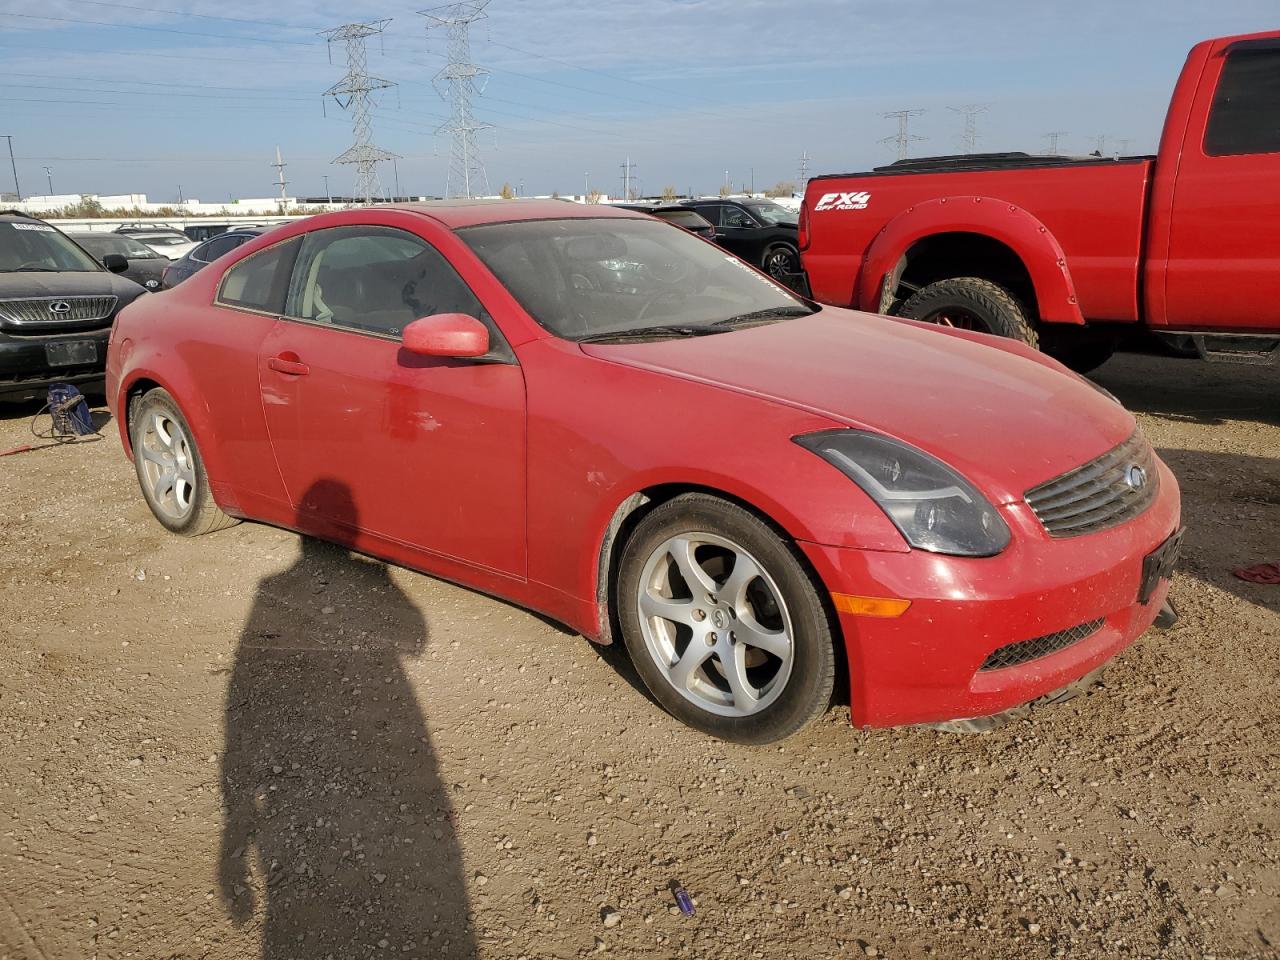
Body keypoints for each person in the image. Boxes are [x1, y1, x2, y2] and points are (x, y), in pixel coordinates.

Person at [218, 480, 475, 958]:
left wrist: (235, 830)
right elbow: (416, 639)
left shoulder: (271, 590)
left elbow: (238, 699)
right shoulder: (366, 580)